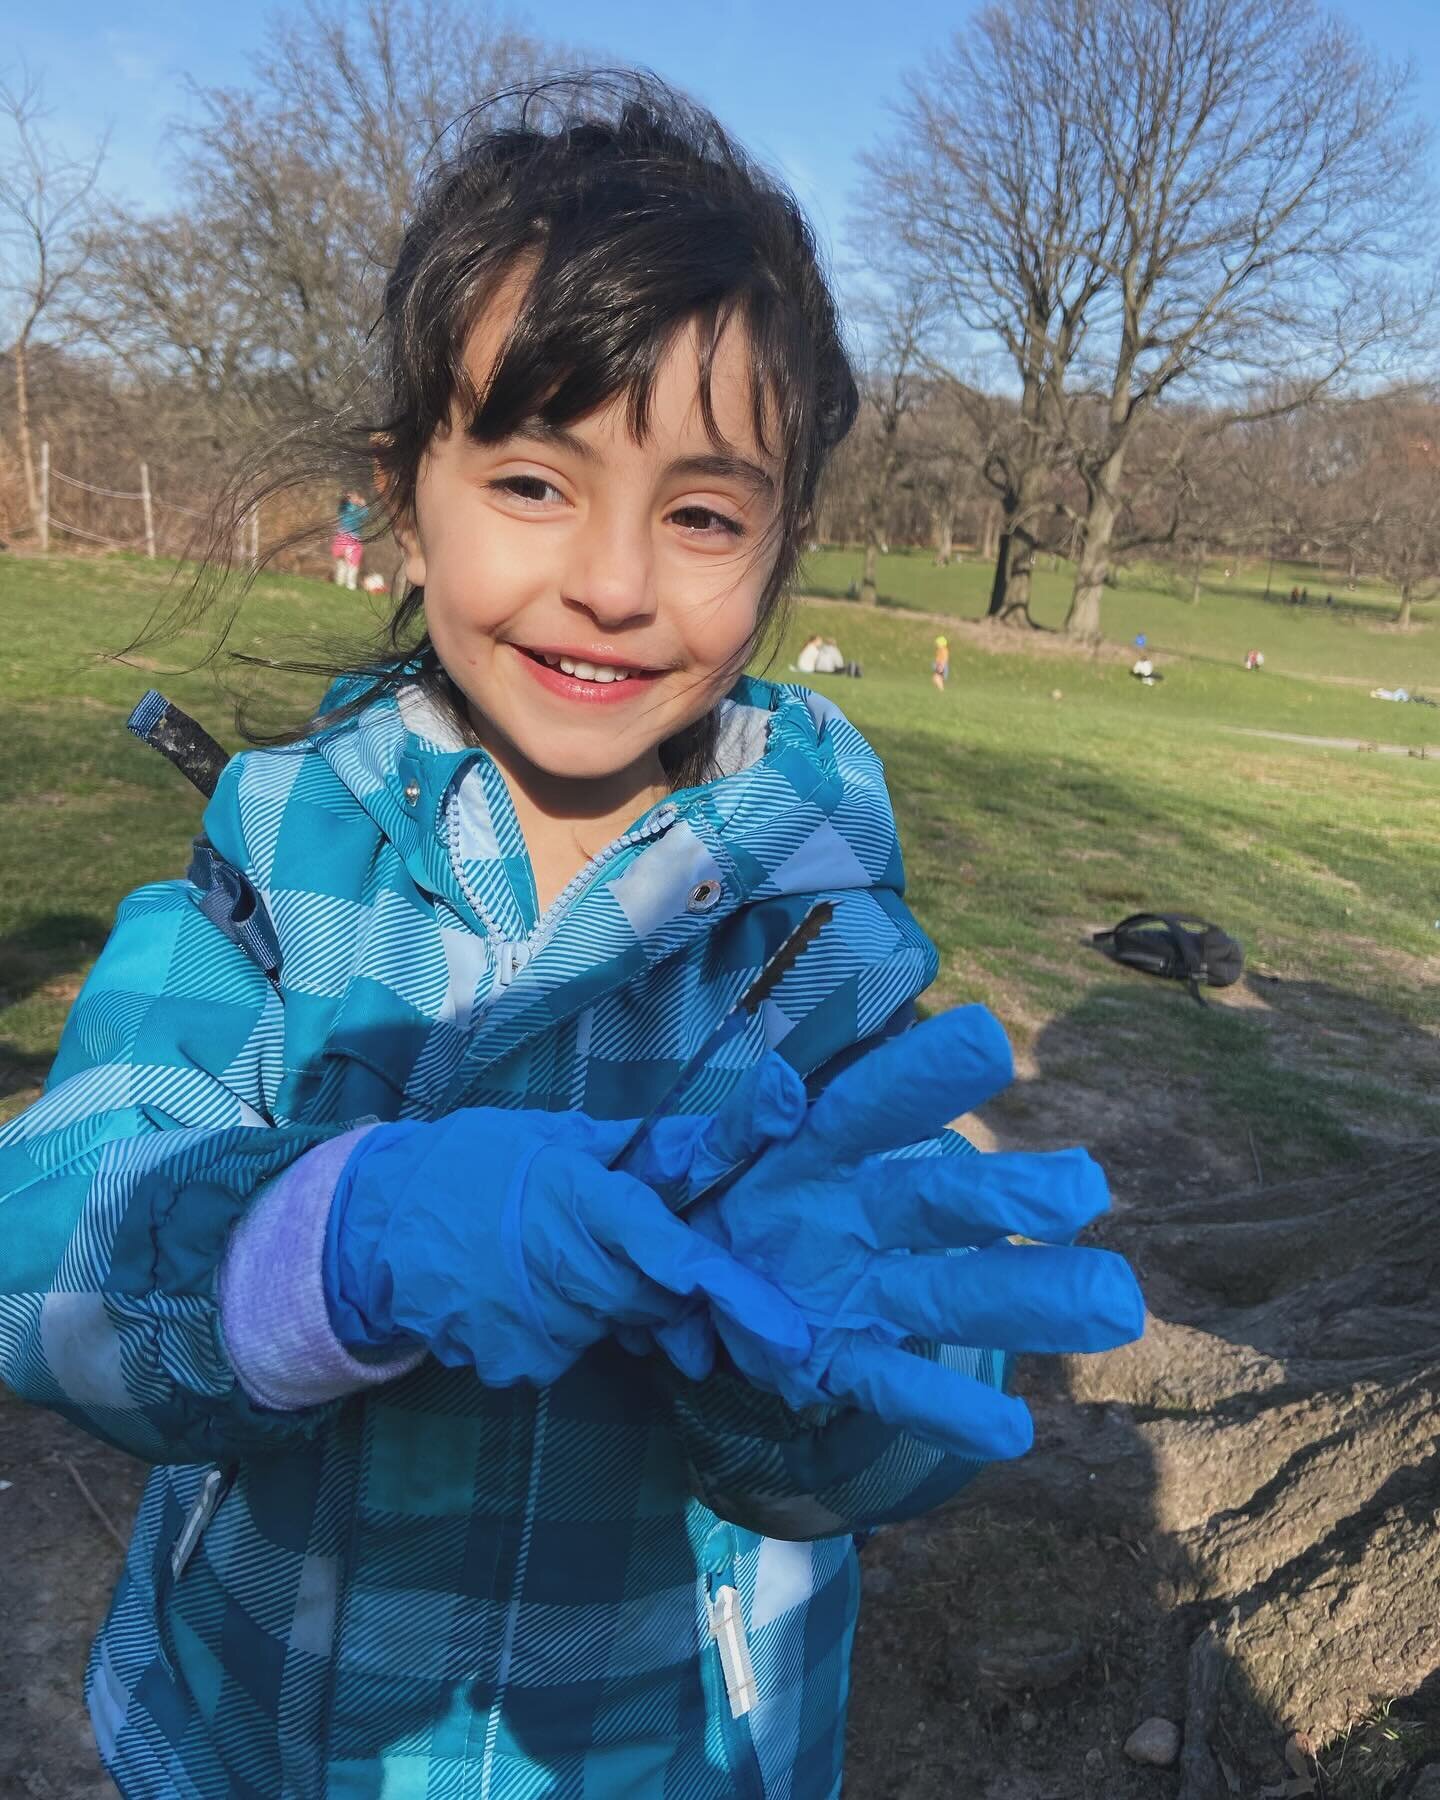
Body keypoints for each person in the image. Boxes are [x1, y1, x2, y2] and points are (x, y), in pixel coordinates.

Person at [0, 76, 1142, 1800]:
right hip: (259, 1738)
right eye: (535, 479)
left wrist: (818, 1374)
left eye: (700, 513)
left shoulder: (816, 929)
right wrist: (337, 1237)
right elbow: (49, 1255)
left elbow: (874, 1416)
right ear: (405, 496)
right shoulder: (276, 856)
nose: (615, 581)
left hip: (659, 1757)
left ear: (777, 546)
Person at [331, 488, 369, 588]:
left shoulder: (358, 509)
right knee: (341, 563)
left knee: (352, 564)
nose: (353, 498)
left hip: (353, 540)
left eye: (355, 496)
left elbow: (365, 515)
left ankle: (350, 585)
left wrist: (363, 505)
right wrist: (346, 497)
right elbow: (341, 502)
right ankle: (339, 583)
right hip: (342, 537)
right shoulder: (344, 506)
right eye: (351, 496)